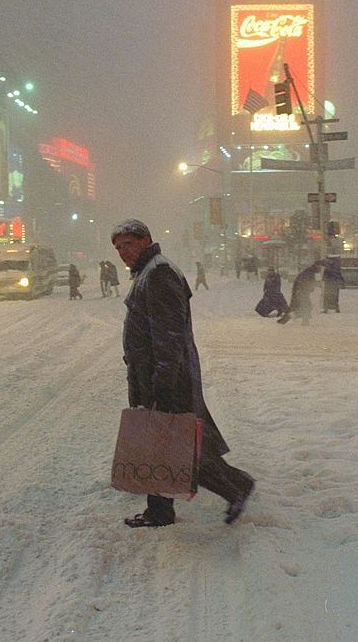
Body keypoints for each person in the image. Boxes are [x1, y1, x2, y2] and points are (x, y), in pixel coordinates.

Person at [112, 219, 254, 528]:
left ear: (146, 239)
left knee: (180, 446)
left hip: (166, 378)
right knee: (160, 442)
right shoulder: (150, 270)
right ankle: (159, 510)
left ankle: (235, 486)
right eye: (119, 247)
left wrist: (162, 381)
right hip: (156, 374)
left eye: (128, 244)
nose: (123, 252)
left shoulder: (159, 273)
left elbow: (168, 335)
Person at [278, 261, 322, 325]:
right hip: (301, 291)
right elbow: (306, 282)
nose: (320, 268)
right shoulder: (309, 272)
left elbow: (307, 282)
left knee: (300, 306)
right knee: (306, 306)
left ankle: (287, 320)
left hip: (300, 291)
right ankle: (300, 319)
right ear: (316, 265)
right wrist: (314, 285)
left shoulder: (310, 271)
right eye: (320, 266)